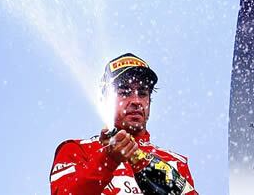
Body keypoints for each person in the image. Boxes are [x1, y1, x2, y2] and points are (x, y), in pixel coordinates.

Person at [49, 53, 197, 194]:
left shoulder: (175, 162)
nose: (136, 101)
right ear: (106, 100)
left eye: (143, 93)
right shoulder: (77, 150)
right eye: (125, 92)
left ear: (149, 101)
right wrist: (108, 159)